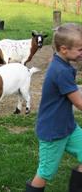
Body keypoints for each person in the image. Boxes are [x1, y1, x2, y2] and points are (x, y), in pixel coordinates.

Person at [26, 23, 82, 192]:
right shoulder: (61, 71)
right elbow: (79, 103)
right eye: (80, 49)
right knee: (45, 173)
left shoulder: (59, 61)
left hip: (68, 127)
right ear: (64, 49)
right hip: (53, 131)